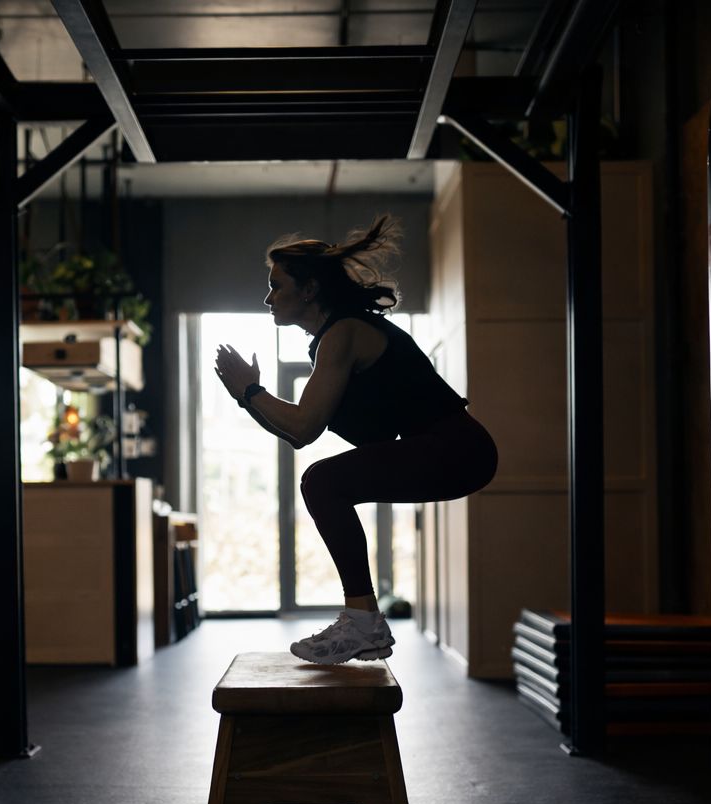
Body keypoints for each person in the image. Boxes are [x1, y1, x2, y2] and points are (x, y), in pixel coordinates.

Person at [214, 215, 499, 664]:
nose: (268, 298)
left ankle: (362, 621)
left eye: (277, 285)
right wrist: (247, 397)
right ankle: (363, 618)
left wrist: (250, 391)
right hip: (454, 451)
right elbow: (298, 435)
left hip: (458, 448)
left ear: (309, 290)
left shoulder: (344, 333)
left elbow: (304, 425)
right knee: (322, 480)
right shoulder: (332, 339)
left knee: (322, 482)